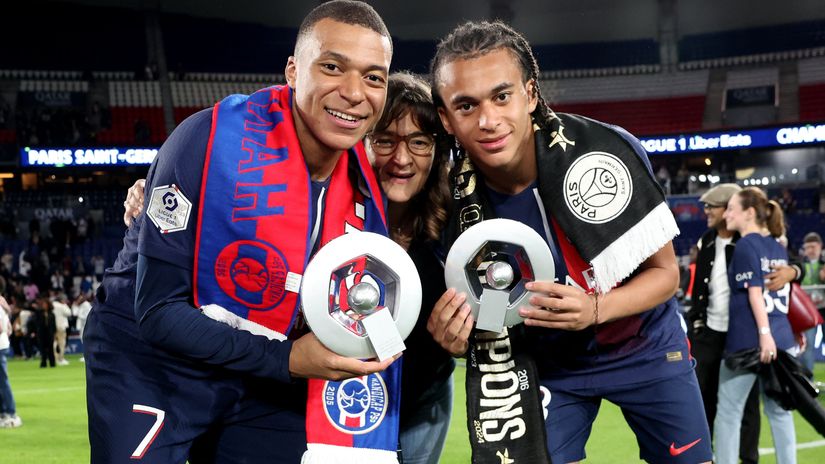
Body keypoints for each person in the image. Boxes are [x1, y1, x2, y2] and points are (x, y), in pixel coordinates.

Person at [84, 2, 397, 463]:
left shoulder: (370, 187)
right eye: (332, 67)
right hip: (151, 362)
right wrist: (287, 360)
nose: (354, 92)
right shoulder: (206, 140)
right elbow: (157, 313)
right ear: (293, 71)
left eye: (374, 77)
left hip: (261, 374)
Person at [122, 71, 457, 464]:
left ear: (437, 152)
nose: (401, 158)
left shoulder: (454, 223)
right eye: (384, 140)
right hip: (316, 399)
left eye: (419, 142)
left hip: (419, 401)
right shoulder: (311, 205)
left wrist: (466, 341)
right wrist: (160, 193)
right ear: (359, 141)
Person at [427, 21, 711, 463]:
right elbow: (475, 318)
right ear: (446, 118)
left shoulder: (609, 152)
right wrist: (456, 340)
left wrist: (596, 309)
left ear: (531, 94)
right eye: (466, 105)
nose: (488, 120)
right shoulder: (446, 200)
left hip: (646, 348)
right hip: (542, 365)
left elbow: (666, 275)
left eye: (502, 96)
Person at [714, 187, 797, 464]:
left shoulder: (747, 244)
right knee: (780, 412)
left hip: (750, 341)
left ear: (749, 213)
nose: (727, 213)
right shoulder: (778, 246)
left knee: (728, 413)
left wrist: (764, 335)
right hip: (782, 338)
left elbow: (754, 293)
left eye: (732, 208)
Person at [686, 183, 763, 464]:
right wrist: (696, 319)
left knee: (748, 404)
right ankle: (707, 456)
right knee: (702, 398)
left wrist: (794, 270)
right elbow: (699, 289)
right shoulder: (706, 240)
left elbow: (784, 264)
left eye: (712, 207)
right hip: (708, 333)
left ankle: (748, 458)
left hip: (740, 335)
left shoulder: (748, 241)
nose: (706, 211)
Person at [799, 231, 825, 374]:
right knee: (807, 344)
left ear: (820, 246)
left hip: (824, 307)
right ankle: (808, 382)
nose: (810, 250)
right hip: (808, 310)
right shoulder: (800, 265)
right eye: (807, 247)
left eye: (813, 246)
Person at [0, 295, 22, 428]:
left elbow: (1, 328)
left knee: (3, 382)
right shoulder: (3, 304)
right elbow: (8, 329)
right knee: (2, 382)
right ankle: (4, 413)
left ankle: (11, 413)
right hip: (2, 345)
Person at [34, 296, 55, 368]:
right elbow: (36, 324)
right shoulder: (39, 314)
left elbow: (53, 326)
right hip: (41, 334)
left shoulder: (52, 314)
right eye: (43, 304)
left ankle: (52, 363)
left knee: (50, 349)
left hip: (49, 334)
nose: (44, 306)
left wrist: (54, 334)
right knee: (42, 350)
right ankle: (43, 363)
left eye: (45, 304)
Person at [51, 293, 72, 365]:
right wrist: (65, 305)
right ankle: (61, 359)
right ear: (62, 300)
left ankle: (55, 358)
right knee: (62, 343)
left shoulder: (51, 304)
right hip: (61, 327)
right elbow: (69, 313)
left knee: (54, 343)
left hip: (52, 327)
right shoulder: (62, 306)